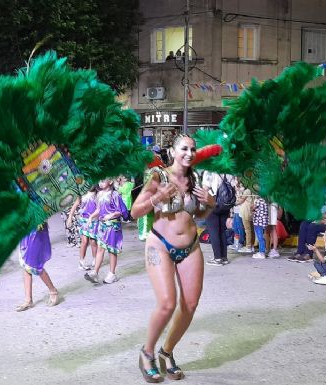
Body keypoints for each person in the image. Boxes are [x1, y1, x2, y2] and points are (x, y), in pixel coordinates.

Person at [130, 134, 215, 383]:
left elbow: (199, 215)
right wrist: (157, 198)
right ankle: (147, 353)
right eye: (184, 149)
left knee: (189, 305)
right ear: (172, 150)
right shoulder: (158, 176)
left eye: (192, 149)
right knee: (167, 303)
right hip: (161, 245)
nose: (189, 153)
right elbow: (135, 212)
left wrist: (210, 203)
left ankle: (166, 352)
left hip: (190, 246)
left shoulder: (195, 178)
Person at [83, 179, 128, 284]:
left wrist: (110, 215)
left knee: (112, 251)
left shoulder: (115, 195)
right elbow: (98, 209)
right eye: (99, 181)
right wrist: (91, 217)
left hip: (113, 226)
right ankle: (95, 272)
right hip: (102, 226)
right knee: (100, 248)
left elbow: (120, 211)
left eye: (103, 180)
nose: (100, 182)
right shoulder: (99, 194)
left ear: (111, 181)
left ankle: (112, 274)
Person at [15, 224, 59, 311]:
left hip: (36, 231)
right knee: (25, 264)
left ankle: (53, 290)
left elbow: (45, 211)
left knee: (34, 265)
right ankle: (28, 300)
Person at [202, 172, 236, 265]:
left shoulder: (209, 171)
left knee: (213, 231)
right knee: (222, 231)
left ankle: (217, 258)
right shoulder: (229, 171)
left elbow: (205, 189)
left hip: (212, 202)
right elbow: (234, 186)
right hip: (225, 204)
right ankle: (224, 257)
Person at [68, 186, 98, 270]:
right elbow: (74, 206)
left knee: (93, 241)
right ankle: (81, 262)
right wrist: (70, 217)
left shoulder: (97, 193)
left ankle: (95, 259)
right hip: (84, 220)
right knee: (84, 241)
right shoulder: (81, 194)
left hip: (94, 220)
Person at [251, 193, 269, 259]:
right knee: (261, 237)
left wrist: (253, 203)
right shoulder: (265, 201)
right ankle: (262, 251)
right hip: (263, 222)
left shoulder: (258, 201)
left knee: (260, 237)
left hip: (258, 221)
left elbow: (252, 208)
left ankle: (262, 252)